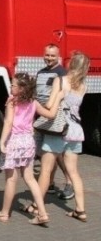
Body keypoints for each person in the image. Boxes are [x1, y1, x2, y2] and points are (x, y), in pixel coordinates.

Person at [28, 51, 90, 223]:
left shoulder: (61, 81)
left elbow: (49, 105)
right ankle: (80, 210)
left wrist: (51, 98)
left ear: (71, 65)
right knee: (74, 172)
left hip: (59, 129)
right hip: (76, 131)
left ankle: (36, 207)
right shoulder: (83, 86)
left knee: (46, 170)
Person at [0, 73, 49, 225]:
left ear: (21, 88)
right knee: (29, 178)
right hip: (28, 141)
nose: (11, 88)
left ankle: (4, 214)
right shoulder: (33, 102)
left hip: (14, 141)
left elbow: (8, 123)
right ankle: (42, 213)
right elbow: (49, 114)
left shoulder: (12, 102)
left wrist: (2, 142)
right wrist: (57, 98)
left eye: (13, 85)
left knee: (11, 179)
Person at [35, 43, 72, 199]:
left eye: (52, 55)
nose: (49, 58)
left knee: (57, 154)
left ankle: (69, 182)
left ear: (58, 57)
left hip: (55, 118)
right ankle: (50, 183)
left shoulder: (62, 74)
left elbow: (64, 98)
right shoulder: (41, 73)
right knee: (46, 152)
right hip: (41, 117)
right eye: (47, 55)